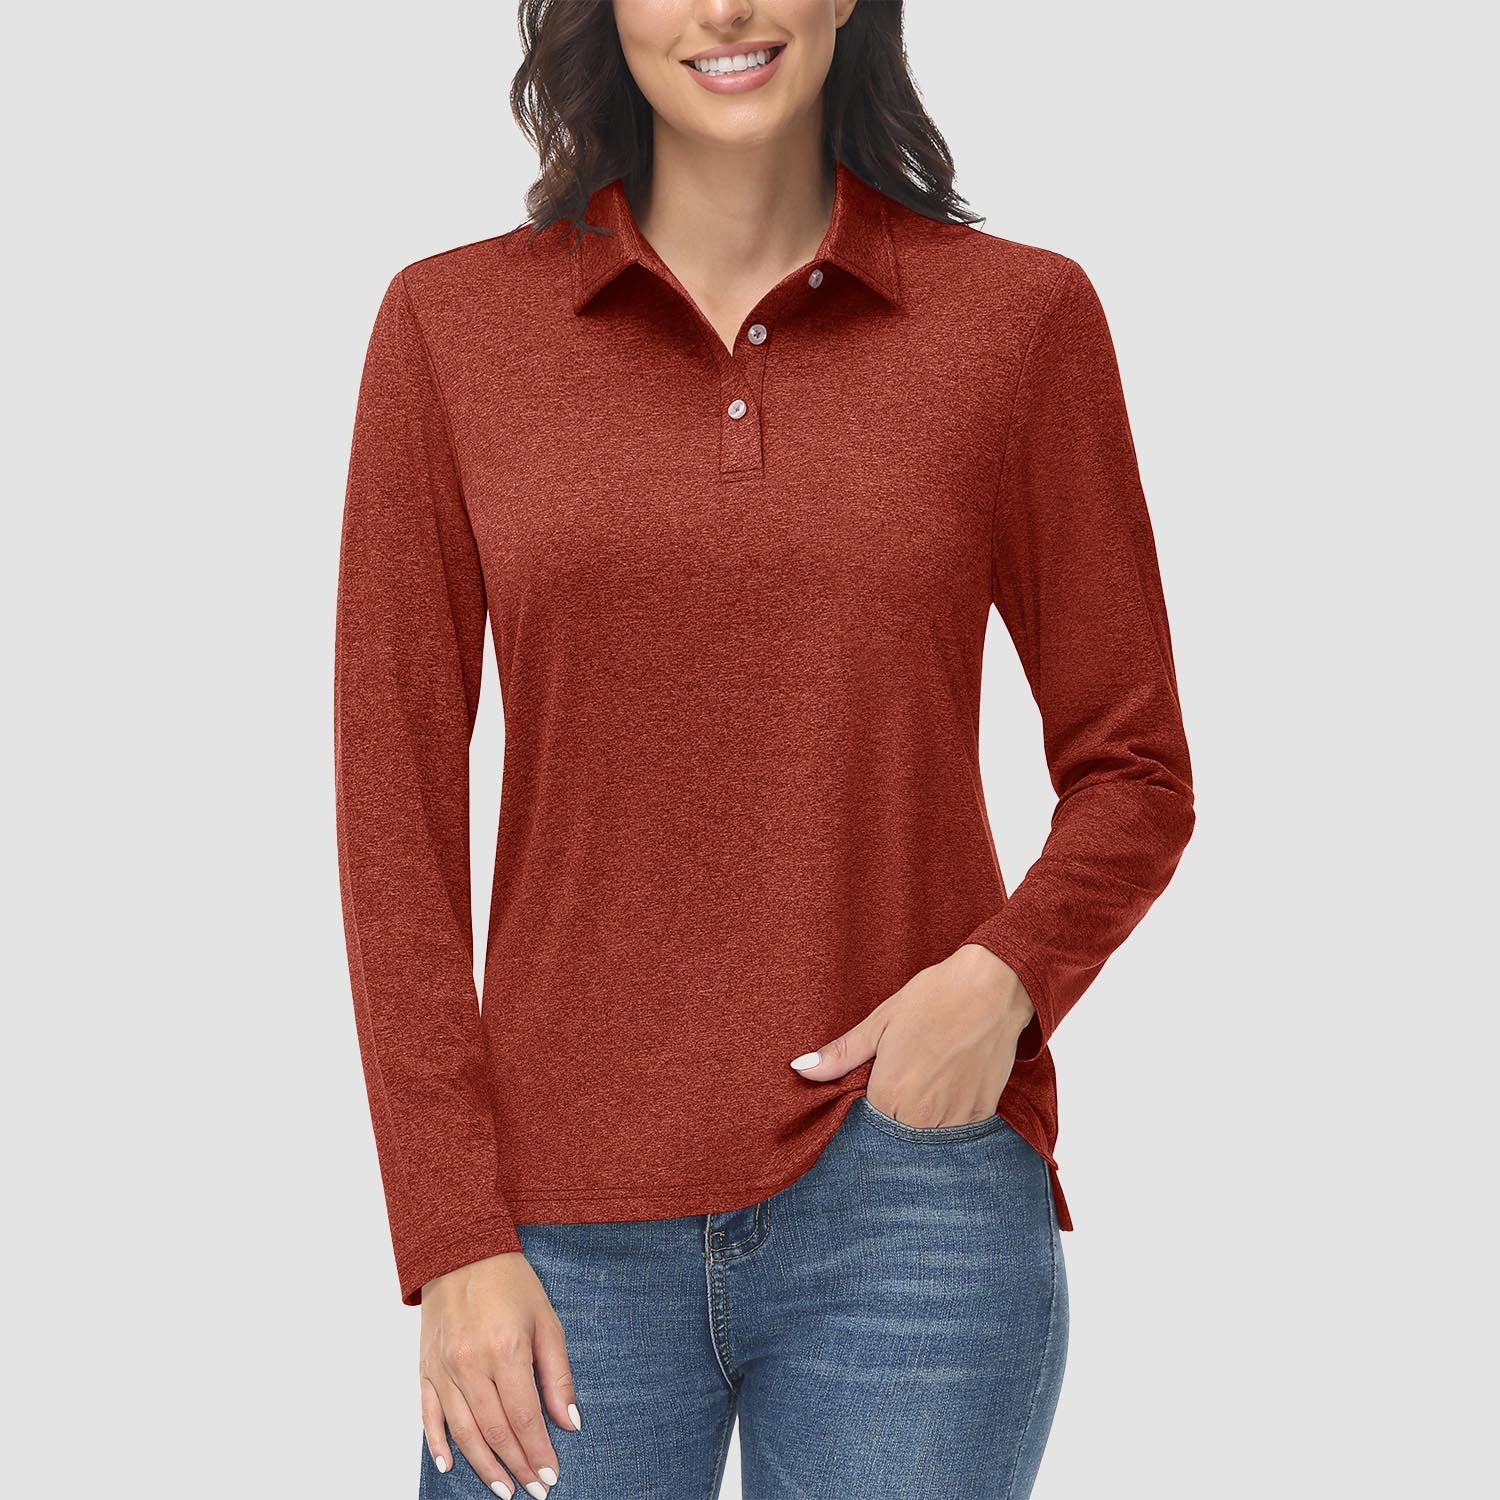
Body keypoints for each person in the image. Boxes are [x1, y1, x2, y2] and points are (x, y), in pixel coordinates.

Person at [333, 2, 1195, 1496]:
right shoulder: (450, 328)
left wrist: (999, 984)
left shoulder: (1017, 320)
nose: (726, 9)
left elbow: (1136, 766)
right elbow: (392, 817)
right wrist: (450, 1231)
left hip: (911, 1208)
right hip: (553, 1227)